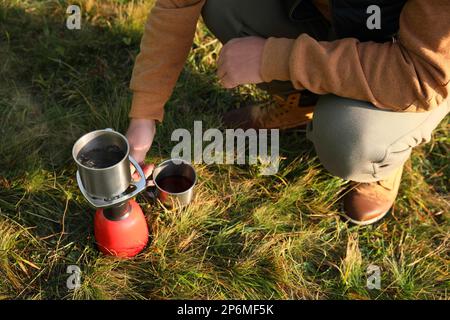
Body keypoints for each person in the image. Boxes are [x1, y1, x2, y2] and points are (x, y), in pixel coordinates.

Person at [126, 0, 450, 225]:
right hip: (333, 19)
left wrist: (277, 59)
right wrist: (144, 115)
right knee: (225, 6)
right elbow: (178, 5)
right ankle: (302, 101)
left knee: (351, 137)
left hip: (414, 61)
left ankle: (382, 154)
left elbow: (421, 77)